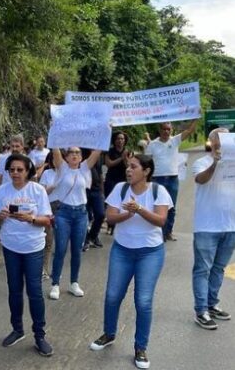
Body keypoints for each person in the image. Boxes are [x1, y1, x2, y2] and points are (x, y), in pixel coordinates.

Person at [89, 155, 172, 370]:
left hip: (150, 253)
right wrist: (129, 212)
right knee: (112, 295)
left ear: (146, 171)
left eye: (133, 167)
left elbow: (161, 221)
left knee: (143, 301)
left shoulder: (158, 191)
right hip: (122, 250)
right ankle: (109, 334)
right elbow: (110, 218)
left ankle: (140, 347)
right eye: (127, 166)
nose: (128, 170)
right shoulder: (120, 189)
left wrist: (140, 210)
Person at [0, 153, 53, 356]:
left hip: (33, 247)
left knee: (34, 291)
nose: (15, 173)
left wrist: (31, 219)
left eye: (19, 170)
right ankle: (17, 329)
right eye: (11, 170)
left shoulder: (37, 190)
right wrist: (0, 216)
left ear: (28, 171)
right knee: (14, 290)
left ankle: (40, 335)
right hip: (11, 247)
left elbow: (48, 220)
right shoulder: (1, 191)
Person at [191, 128, 235, 330]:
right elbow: (201, 179)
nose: (223, 138)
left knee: (218, 269)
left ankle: (212, 304)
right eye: (219, 135)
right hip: (207, 226)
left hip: (231, 225)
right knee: (203, 269)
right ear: (211, 141)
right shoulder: (202, 162)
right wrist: (217, 163)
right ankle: (201, 310)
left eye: (227, 135)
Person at [49, 147, 101, 300]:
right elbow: (55, 149)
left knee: (77, 250)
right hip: (63, 213)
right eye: (71, 152)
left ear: (81, 156)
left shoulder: (84, 168)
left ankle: (74, 282)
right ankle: (55, 284)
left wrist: (106, 129)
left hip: (81, 214)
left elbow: (97, 151)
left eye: (77, 153)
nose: (74, 155)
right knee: (61, 249)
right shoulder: (62, 168)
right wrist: (55, 129)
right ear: (66, 156)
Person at [145, 119, 198, 241]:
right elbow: (146, 162)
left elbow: (190, 130)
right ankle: (158, 233)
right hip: (157, 179)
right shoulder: (152, 144)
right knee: (156, 207)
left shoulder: (175, 141)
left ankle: (168, 232)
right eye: (164, 129)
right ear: (160, 130)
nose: (166, 131)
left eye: (168, 129)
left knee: (171, 207)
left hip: (173, 179)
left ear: (171, 130)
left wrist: (196, 117)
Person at [39, 153, 58, 279]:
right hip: (50, 207)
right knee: (48, 241)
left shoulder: (69, 173)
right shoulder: (47, 173)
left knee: (60, 242)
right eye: (55, 159)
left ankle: (55, 271)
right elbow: (42, 193)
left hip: (64, 209)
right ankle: (43, 269)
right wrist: (53, 186)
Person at [84, 149, 105, 250]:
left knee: (101, 214)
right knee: (86, 216)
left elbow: (100, 173)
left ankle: (93, 235)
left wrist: (102, 190)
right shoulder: (82, 154)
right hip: (84, 190)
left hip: (97, 190)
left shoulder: (99, 156)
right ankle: (85, 238)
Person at [104, 131, 131, 201]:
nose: (120, 141)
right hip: (111, 179)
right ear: (114, 140)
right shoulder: (109, 151)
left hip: (124, 178)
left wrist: (125, 158)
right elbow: (109, 164)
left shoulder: (128, 151)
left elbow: (129, 166)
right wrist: (121, 158)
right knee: (111, 199)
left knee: (124, 199)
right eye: (118, 139)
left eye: (122, 139)